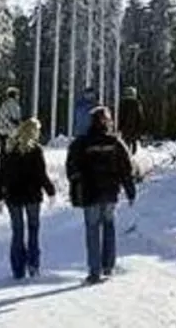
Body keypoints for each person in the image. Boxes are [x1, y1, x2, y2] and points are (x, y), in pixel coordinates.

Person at [65, 105, 137, 284]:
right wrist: (130, 190)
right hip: (110, 193)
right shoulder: (115, 142)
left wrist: (76, 185)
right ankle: (108, 266)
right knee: (109, 227)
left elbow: (72, 167)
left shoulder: (81, 143)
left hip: (90, 193)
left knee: (92, 230)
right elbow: (126, 168)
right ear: (107, 121)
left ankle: (94, 271)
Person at [0, 118, 56, 280]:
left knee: (17, 232)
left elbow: (1, 174)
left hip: (13, 196)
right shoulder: (35, 150)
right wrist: (51, 191)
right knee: (33, 230)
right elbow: (41, 174)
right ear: (34, 131)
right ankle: (33, 265)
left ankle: (18, 269)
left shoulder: (8, 148)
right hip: (32, 195)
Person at [117, 86, 144, 155]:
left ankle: (127, 157)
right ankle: (131, 157)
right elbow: (140, 117)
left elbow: (120, 116)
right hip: (134, 128)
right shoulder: (137, 104)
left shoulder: (123, 103)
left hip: (125, 128)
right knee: (133, 144)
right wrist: (140, 128)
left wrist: (119, 127)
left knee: (126, 144)